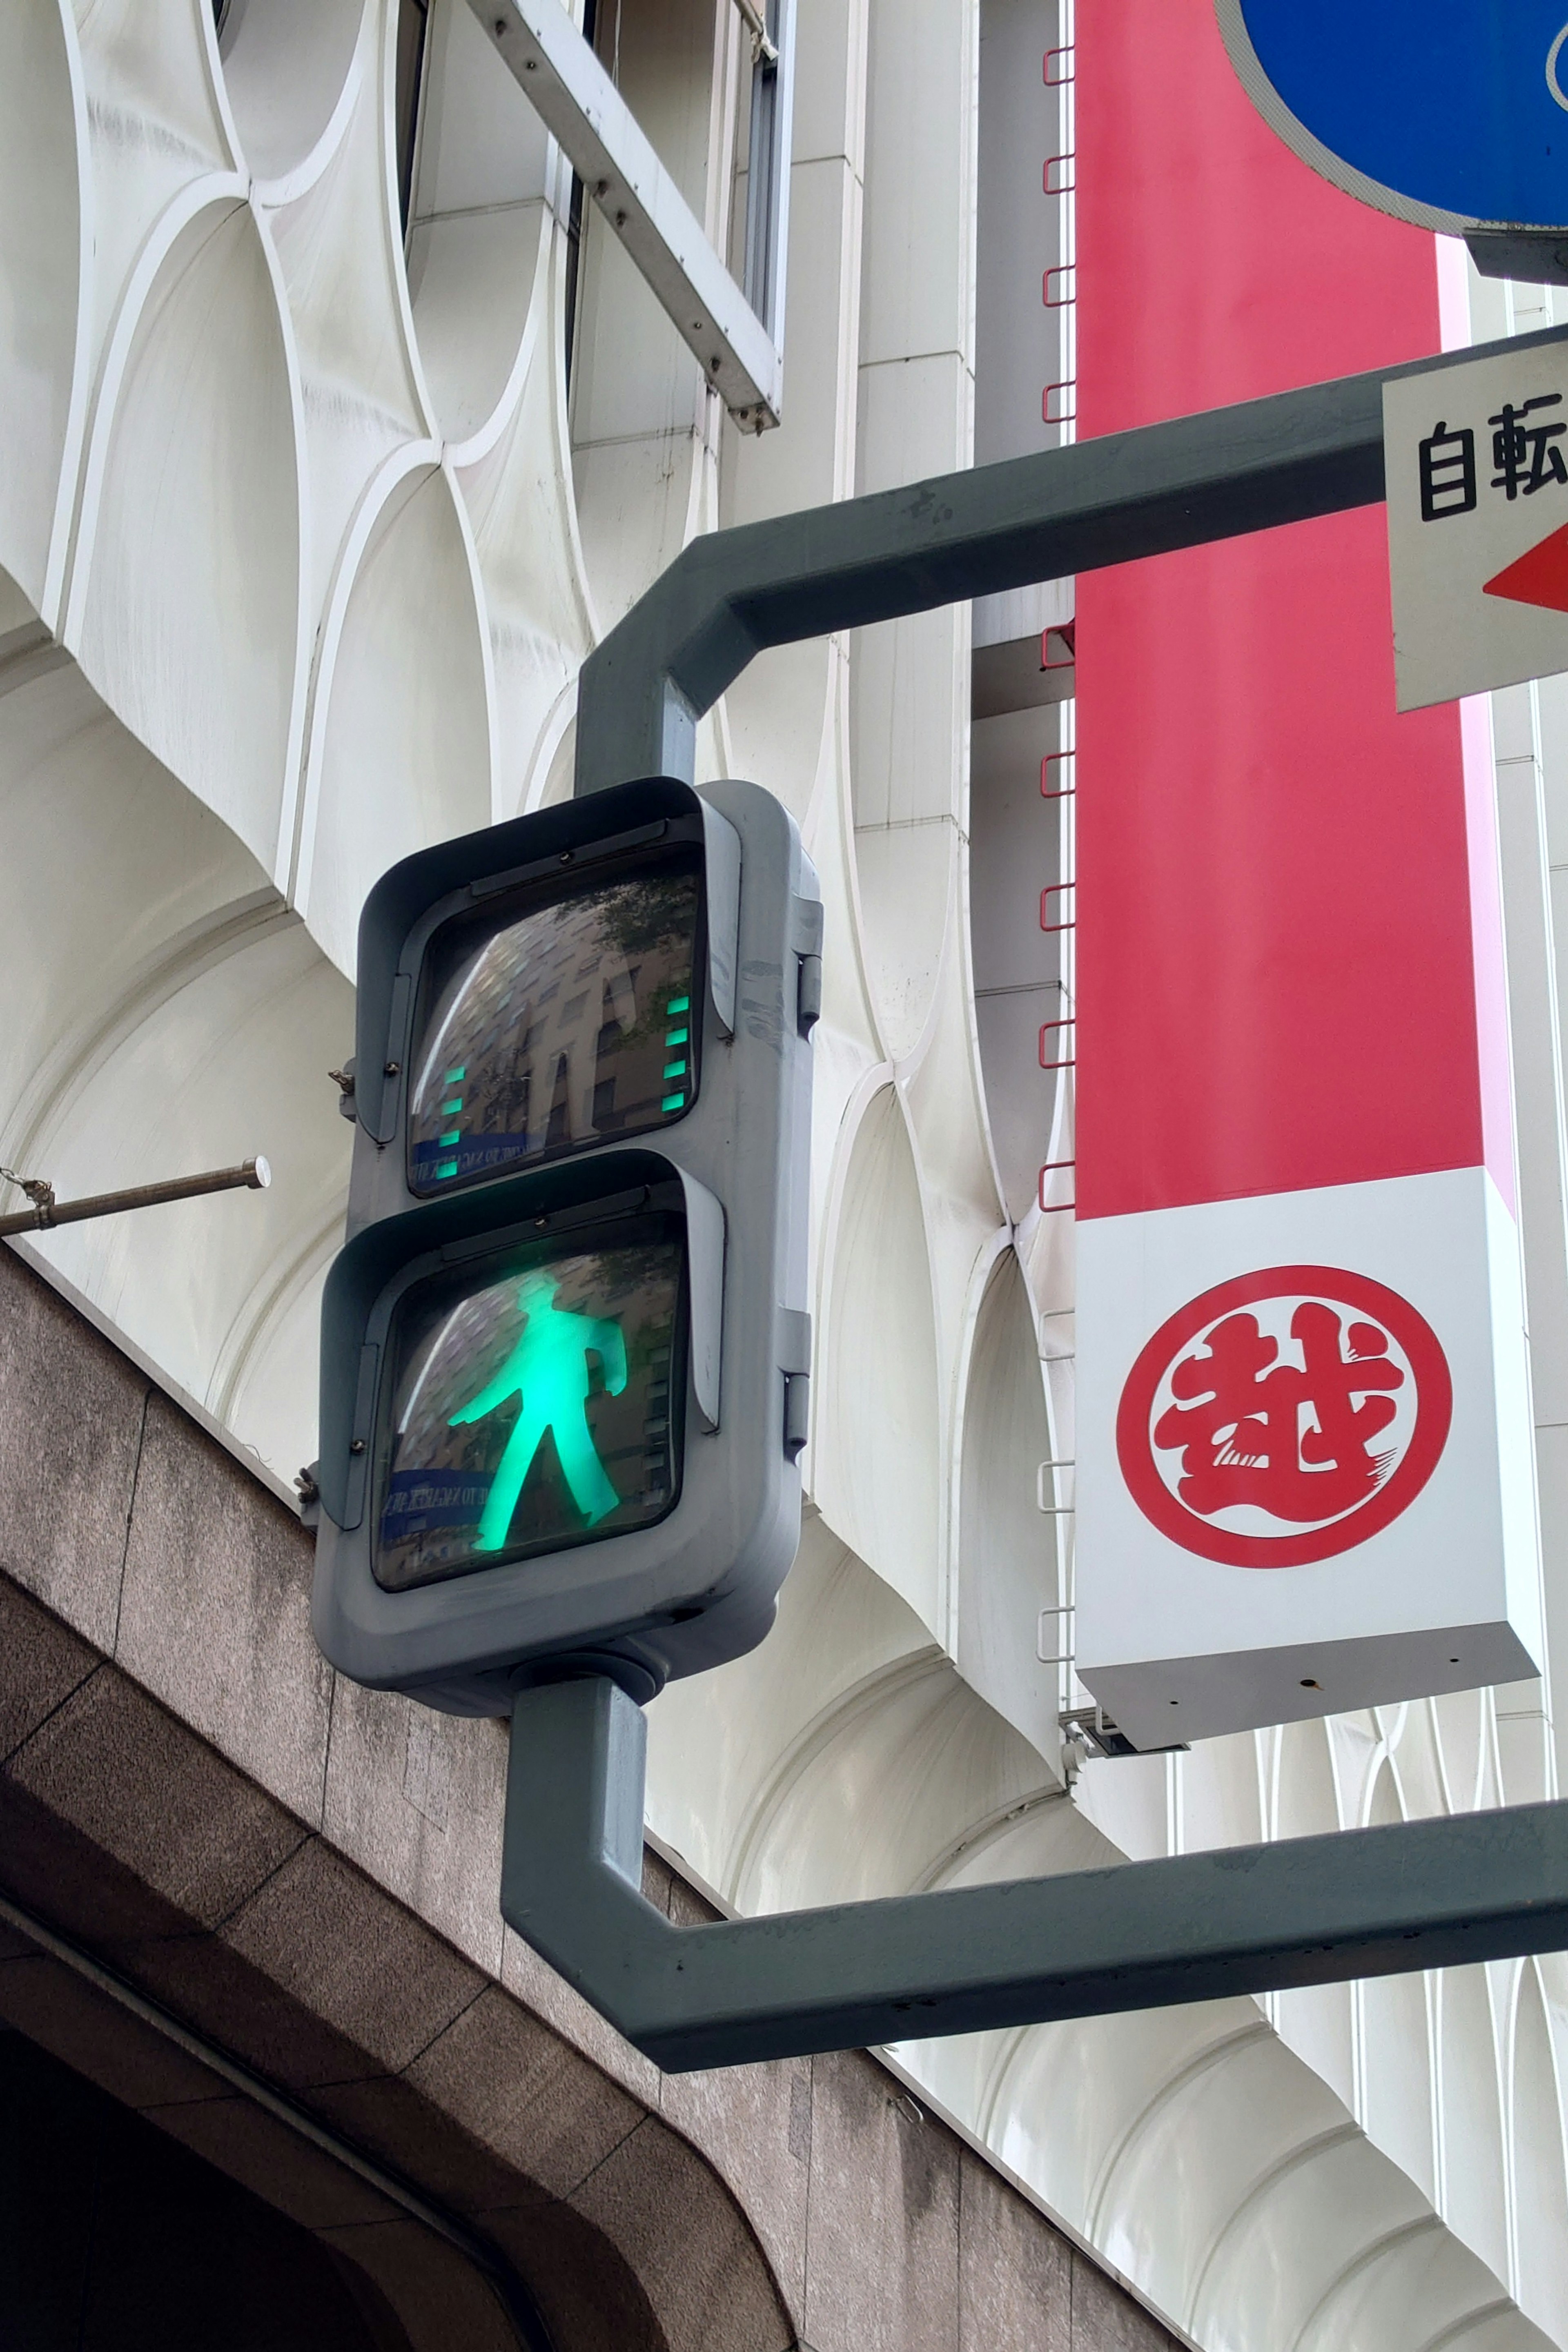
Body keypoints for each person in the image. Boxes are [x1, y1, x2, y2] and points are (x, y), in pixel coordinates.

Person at [448, 1270, 627, 1550]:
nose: (524, 1298)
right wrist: (469, 1412)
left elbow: (609, 1334)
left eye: (530, 1292)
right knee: (517, 1464)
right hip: (536, 1408)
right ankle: (493, 1534)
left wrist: (617, 1378)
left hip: (565, 1403)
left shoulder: (566, 1325)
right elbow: (504, 1382)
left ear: (546, 1294)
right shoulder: (531, 1338)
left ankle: (600, 1505)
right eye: (524, 1295)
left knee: (573, 1455)